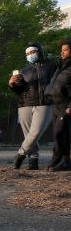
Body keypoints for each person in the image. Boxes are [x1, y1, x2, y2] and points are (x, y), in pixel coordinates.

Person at [8, 42, 57, 170]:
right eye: (28, 54)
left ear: (39, 51)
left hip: (45, 103)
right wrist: (12, 84)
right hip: (24, 104)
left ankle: (20, 154)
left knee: (35, 133)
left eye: (32, 52)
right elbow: (20, 91)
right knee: (28, 134)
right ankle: (33, 160)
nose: (30, 55)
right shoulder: (24, 70)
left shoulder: (52, 66)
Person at [45, 38, 71, 171]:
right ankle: (60, 159)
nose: (62, 52)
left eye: (65, 50)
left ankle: (64, 160)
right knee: (58, 134)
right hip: (56, 104)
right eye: (62, 50)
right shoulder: (60, 67)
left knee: (61, 133)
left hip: (66, 106)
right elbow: (54, 84)